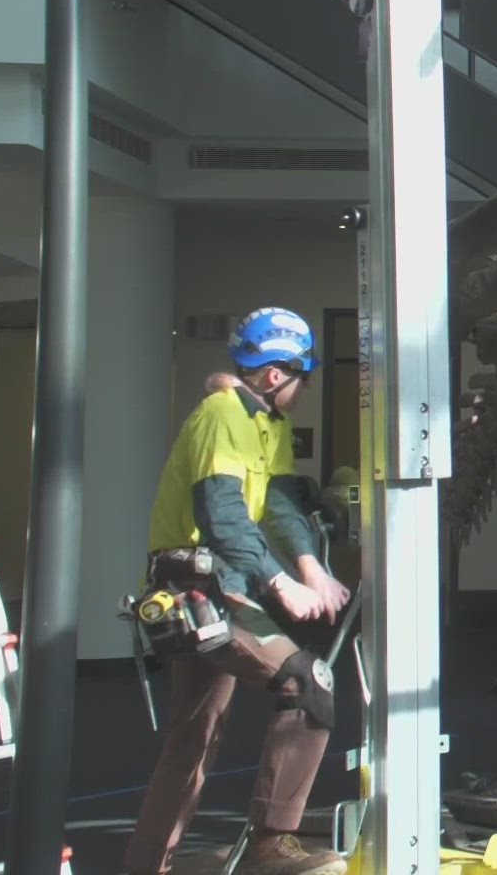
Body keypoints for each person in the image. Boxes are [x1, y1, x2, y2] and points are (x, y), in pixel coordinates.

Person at [125, 308, 352, 875]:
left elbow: (273, 503)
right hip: (198, 591)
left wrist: (313, 569)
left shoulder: (264, 425)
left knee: (192, 740)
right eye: (304, 376)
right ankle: (273, 844)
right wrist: (281, 584)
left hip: (212, 588)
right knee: (308, 684)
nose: (305, 388)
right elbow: (223, 516)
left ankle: (146, 865)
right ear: (277, 375)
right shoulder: (224, 416)